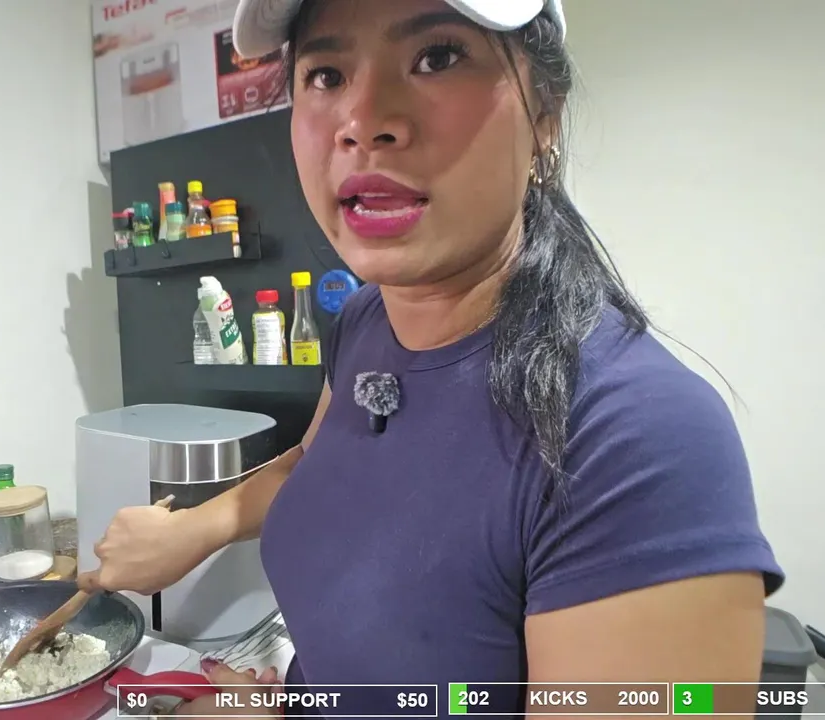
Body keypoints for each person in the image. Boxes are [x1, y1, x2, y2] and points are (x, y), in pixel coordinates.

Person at [82, 0, 784, 715]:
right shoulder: (366, 321)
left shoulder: (639, 440)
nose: (362, 120)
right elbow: (318, 463)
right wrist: (194, 531)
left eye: (438, 57)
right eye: (326, 74)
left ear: (545, 115)